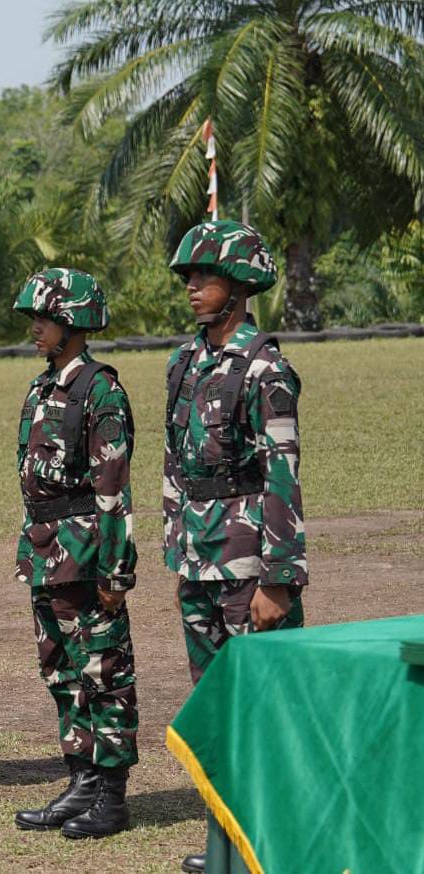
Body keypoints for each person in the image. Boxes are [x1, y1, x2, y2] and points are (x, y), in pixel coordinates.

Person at [164, 221, 307, 873]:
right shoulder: (185, 361)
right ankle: (227, 844)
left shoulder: (265, 367)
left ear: (242, 287)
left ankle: (274, 849)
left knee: (269, 711)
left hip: (249, 559)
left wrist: (278, 578)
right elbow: (175, 461)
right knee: (215, 706)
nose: (193, 287)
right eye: (189, 277)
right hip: (198, 555)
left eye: (206, 277)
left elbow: (282, 472)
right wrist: (176, 545)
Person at [9, 269, 139, 839]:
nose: (35, 329)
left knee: (103, 669)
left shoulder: (100, 390)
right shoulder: (42, 388)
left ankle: (110, 795)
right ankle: (81, 778)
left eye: (46, 320)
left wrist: (116, 568)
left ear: (75, 325)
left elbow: (113, 488)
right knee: (61, 669)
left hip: (87, 553)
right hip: (45, 552)